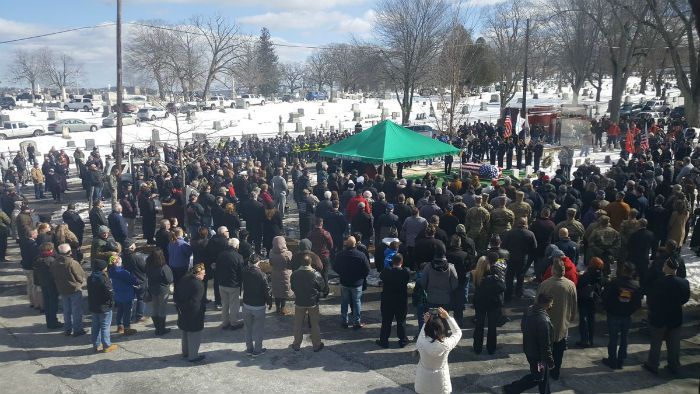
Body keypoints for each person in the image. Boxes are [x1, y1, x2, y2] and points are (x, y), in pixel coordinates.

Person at [643, 257, 691, 375]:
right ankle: (674, 365)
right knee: (674, 344)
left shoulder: (659, 283)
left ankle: (653, 364)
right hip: (675, 316)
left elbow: (652, 300)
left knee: (656, 343)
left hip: (659, 317)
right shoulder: (684, 282)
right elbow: (685, 298)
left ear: (668, 267)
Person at [503, 293, 555, 394]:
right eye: (551, 304)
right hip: (539, 357)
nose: (551, 306)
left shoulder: (529, 310)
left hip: (530, 349)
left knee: (543, 375)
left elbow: (523, 327)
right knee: (538, 376)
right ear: (546, 304)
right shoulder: (543, 321)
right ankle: (512, 389)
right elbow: (545, 345)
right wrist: (550, 361)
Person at [536, 258, 577, 380]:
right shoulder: (570, 285)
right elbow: (574, 305)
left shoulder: (545, 284)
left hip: (545, 323)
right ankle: (555, 372)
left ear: (553, 270)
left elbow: (536, 303)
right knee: (559, 352)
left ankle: (541, 372)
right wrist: (570, 319)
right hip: (562, 325)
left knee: (542, 351)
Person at [601, 262, 641, 370]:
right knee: (624, 339)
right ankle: (621, 360)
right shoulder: (636, 285)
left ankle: (612, 359)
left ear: (623, 270)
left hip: (614, 315)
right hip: (627, 316)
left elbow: (606, 297)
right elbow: (637, 303)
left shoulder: (615, 283)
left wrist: (608, 309)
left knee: (613, 338)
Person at [414, 307, 462, 394]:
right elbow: (458, 332)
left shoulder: (421, 342)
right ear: (442, 329)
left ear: (427, 330)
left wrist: (425, 323)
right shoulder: (446, 343)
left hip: (423, 381)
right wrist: (447, 317)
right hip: (441, 380)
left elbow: (422, 334)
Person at [290, 254, 326, 352]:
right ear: (311, 263)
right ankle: (316, 345)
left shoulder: (295, 274)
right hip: (313, 302)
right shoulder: (316, 274)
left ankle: (296, 345)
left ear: (301, 263)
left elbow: (293, 287)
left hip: (299, 302)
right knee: (315, 324)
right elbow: (322, 287)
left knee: (298, 324)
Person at [333, 236, 370, 329]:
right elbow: (367, 270)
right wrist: (360, 277)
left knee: (344, 302)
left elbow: (335, 267)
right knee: (357, 302)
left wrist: (342, 273)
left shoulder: (340, 254)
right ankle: (356, 322)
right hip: (357, 284)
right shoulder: (361, 255)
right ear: (355, 244)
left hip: (344, 282)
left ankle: (344, 321)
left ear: (346, 244)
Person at [472, 253, 506, 355]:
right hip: (493, 303)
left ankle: (477, 348)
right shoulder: (494, 276)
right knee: (492, 327)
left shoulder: (475, 274)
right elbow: (502, 287)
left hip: (480, 303)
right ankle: (491, 348)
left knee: (479, 326)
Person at [50, 243, 86, 337]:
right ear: (69, 252)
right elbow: (80, 276)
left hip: (62, 289)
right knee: (76, 311)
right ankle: (77, 329)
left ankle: (67, 329)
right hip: (74, 289)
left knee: (66, 311)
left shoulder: (54, 263)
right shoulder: (72, 263)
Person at [241, 254, 273, 356]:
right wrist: (269, 302)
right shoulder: (262, 275)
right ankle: (257, 350)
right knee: (258, 329)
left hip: (246, 304)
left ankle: (249, 349)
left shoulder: (244, 272)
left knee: (248, 328)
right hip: (259, 306)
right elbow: (266, 291)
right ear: (258, 263)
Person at [174, 263, 207, 363]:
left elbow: (176, 295)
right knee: (194, 335)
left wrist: (180, 306)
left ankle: (185, 352)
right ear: (198, 274)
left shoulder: (183, 279)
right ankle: (193, 356)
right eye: (203, 273)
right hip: (194, 314)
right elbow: (195, 302)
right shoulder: (199, 285)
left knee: (184, 332)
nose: (204, 275)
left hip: (182, 311)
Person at [376, 253, 410, 348]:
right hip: (401, 301)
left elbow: (381, 277)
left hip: (388, 300)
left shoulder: (386, 272)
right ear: (402, 262)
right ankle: (402, 340)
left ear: (392, 262)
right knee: (401, 321)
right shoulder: (405, 272)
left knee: (386, 321)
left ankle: (384, 341)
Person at [502, 217, 537, 302]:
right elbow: (534, 247)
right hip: (523, 258)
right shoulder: (530, 234)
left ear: (517, 223)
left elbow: (503, 245)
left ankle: (508, 294)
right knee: (520, 277)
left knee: (509, 276)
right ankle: (519, 293)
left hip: (511, 257)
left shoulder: (509, 233)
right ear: (525, 224)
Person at [87, 259, 118, 353]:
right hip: (104, 306)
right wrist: (113, 301)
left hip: (94, 305)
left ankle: (96, 345)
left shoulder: (90, 277)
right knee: (105, 326)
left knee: (95, 326)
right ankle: (106, 345)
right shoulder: (103, 278)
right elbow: (110, 292)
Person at [418, 243, 458, 310]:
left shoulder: (428, 267)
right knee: (444, 319)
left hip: (431, 298)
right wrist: (448, 290)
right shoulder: (451, 267)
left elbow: (423, 282)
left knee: (432, 319)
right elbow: (455, 284)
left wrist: (428, 289)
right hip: (445, 298)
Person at [216, 237, 244, 330]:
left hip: (222, 283)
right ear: (236, 246)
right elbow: (241, 272)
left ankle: (225, 322)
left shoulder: (221, 254)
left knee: (224, 304)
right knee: (233, 305)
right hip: (233, 284)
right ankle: (234, 322)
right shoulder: (238, 257)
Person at [575, 257, 604, 348]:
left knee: (583, 320)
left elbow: (579, 286)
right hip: (594, 300)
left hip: (584, 300)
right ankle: (591, 340)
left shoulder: (586, 276)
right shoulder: (601, 276)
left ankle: (584, 340)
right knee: (591, 320)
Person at [34, 242, 62, 329]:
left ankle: (49, 322)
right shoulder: (53, 260)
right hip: (52, 285)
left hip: (43, 284)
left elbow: (35, 273)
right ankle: (53, 322)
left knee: (47, 303)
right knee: (53, 303)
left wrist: (37, 283)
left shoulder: (38, 259)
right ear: (50, 250)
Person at [108, 254, 138, 335]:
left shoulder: (111, 271)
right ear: (118, 262)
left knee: (120, 311)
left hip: (118, 294)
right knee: (127, 312)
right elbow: (133, 280)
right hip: (127, 294)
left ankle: (119, 325)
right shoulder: (123, 272)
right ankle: (127, 328)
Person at [146, 249, 173, 336]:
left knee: (155, 308)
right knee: (162, 309)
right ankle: (162, 329)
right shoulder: (164, 267)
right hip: (162, 290)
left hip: (152, 289)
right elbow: (170, 279)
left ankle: (157, 328)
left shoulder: (148, 265)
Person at [121, 238, 147, 323]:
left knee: (130, 300)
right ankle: (139, 316)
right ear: (131, 247)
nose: (135, 245)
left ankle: (128, 317)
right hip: (139, 281)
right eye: (134, 244)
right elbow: (144, 268)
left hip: (128, 281)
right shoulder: (137, 258)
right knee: (141, 298)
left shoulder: (122, 257)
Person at [269, 236, 294, 315]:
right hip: (285, 275)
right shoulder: (288, 254)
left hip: (275, 274)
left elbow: (271, 263)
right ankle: (283, 308)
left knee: (277, 292)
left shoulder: (271, 253)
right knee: (284, 293)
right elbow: (290, 265)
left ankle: (277, 308)